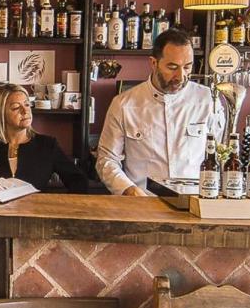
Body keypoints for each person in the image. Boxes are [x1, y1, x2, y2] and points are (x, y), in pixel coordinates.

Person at [96, 29, 225, 196]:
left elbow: (222, 153)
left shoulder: (208, 100)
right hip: (143, 204)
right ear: (153, 63)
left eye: (187, 67)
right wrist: (128, 189)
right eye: (172, 67)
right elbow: (106, 160)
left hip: (195, 202)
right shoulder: (123, 104)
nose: (181, 76)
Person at [0, 84, 87, 193]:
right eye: (16, 107)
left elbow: (78, 181)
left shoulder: (47, 145)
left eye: (27, 104)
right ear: (0, 113)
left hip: (35, 215)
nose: (25, 111)